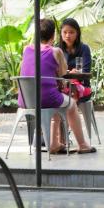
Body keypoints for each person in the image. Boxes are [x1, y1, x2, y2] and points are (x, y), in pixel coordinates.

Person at [19, 19, 96, 154]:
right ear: (54, 35)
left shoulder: (26, 49)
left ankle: (54, 143)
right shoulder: (56, 51)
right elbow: (62, 74)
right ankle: (82, 144)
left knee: (59, 103)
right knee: (70, 104)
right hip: (47, 99)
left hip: (25, 100)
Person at [56, 18, 92, 102]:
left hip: (82, 86)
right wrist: (69, 73)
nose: (67, 35)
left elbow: (86, 70)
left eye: (71, 32)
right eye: (65, 32)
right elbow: (55, 71)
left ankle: (69, 113)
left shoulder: (84, 48)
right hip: (62, 86)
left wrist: (73, 74)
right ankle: (70, 113)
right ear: (61, 33)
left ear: (77, 33)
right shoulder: (57, 49)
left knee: (72, 90)